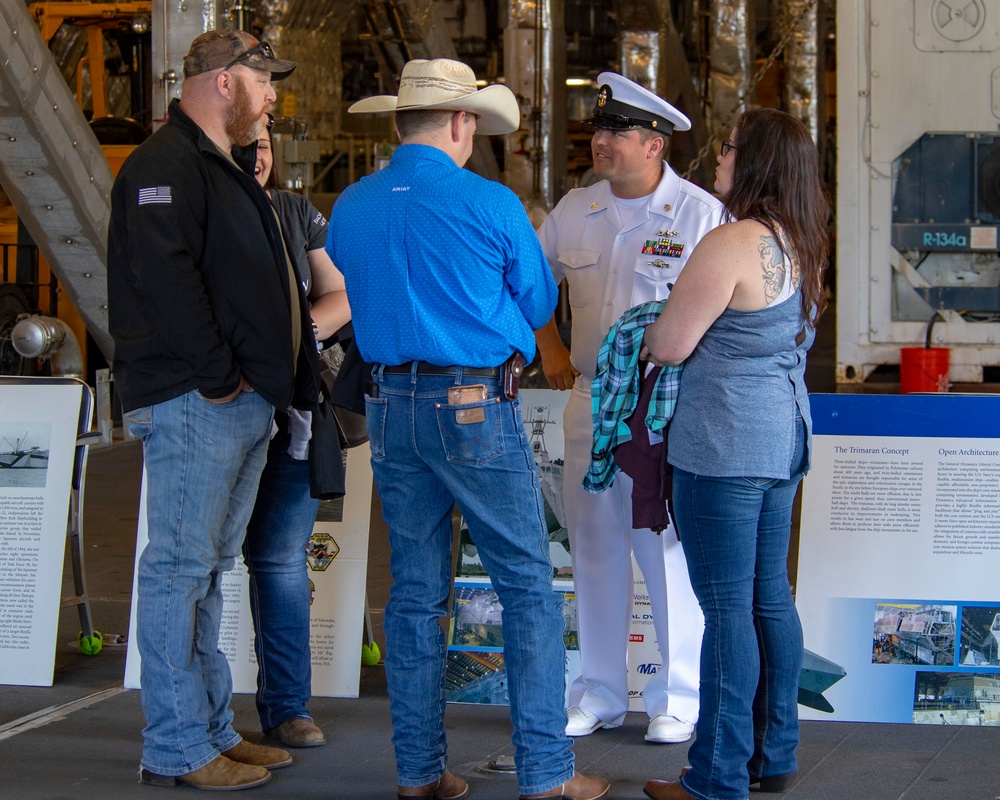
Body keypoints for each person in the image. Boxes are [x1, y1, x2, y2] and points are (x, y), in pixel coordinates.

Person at [327, 58, 610, 800]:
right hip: (474, 405)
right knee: (526, 587)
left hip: (390, 406)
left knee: (417, 593)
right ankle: (548, 773)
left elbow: (358, 292)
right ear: (462, 124)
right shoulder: (492, 204)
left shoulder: (350, 206)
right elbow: (540, 297)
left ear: (398, 123)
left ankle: (420, 772)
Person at [107, 29, 319, 791]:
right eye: (264, 83)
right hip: (199, 400)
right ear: (225, 82)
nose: (272, 97)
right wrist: (219, 375)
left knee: (206, 573)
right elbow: (166, 280)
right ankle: (177, 747)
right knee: (180, 571)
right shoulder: (164, 166)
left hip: (235, 401)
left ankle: (213, 730)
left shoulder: (215, 167)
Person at [640, 108, 830, 800]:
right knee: (767, 598)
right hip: (782, 438)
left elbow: (668, 344)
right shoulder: (799, 240)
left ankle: (715, 775)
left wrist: (650, 324)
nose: (717, 159)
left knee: (725, 609)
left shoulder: (730, 244)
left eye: (727, 149)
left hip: (723, 444)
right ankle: (771, 754)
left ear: (754, 164)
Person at [535, 72, 722, 745]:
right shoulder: (575, 209)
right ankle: (600, 693)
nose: (601, 139)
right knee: (594, 548)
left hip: (661, 406)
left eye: (617, 131)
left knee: (664, 550)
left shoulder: (699, 215)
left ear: (654, 144)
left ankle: (676, 697)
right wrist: (549, 345)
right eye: (599, 128)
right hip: (589, 401)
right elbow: (530, 282)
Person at [242, 121, 351, 749]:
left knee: (281, 560)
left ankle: (287, 708)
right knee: (195, 566)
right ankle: (194, 721)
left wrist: (296, 338)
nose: (257, 156)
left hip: (296, 418)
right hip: (220, 412)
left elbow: (342, 292)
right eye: (245, 146)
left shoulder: (294, 211)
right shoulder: (206, 207)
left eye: (264, 146)